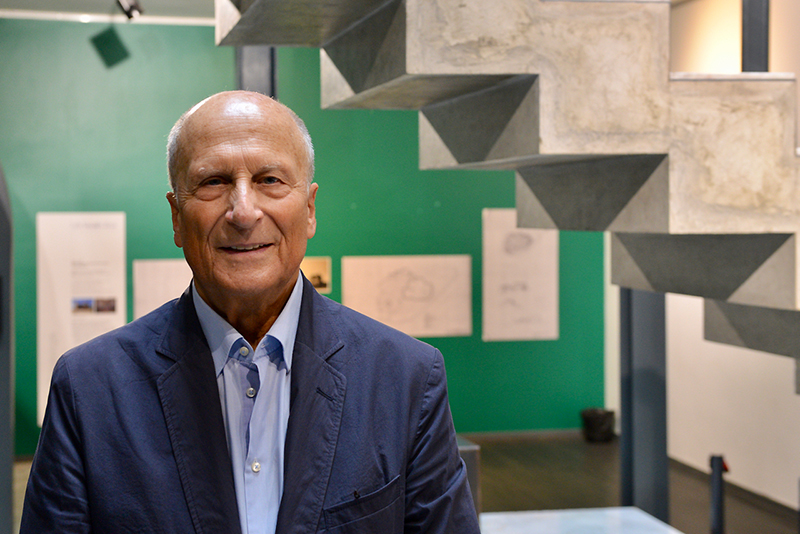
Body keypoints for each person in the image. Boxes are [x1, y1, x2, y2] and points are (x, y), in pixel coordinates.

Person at [20, 91, 480, 534]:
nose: (243, 212)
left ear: (310, 209)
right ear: (177, 217)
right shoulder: (89, 389)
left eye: (270, 180)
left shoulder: (405, 378)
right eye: (213, 182)